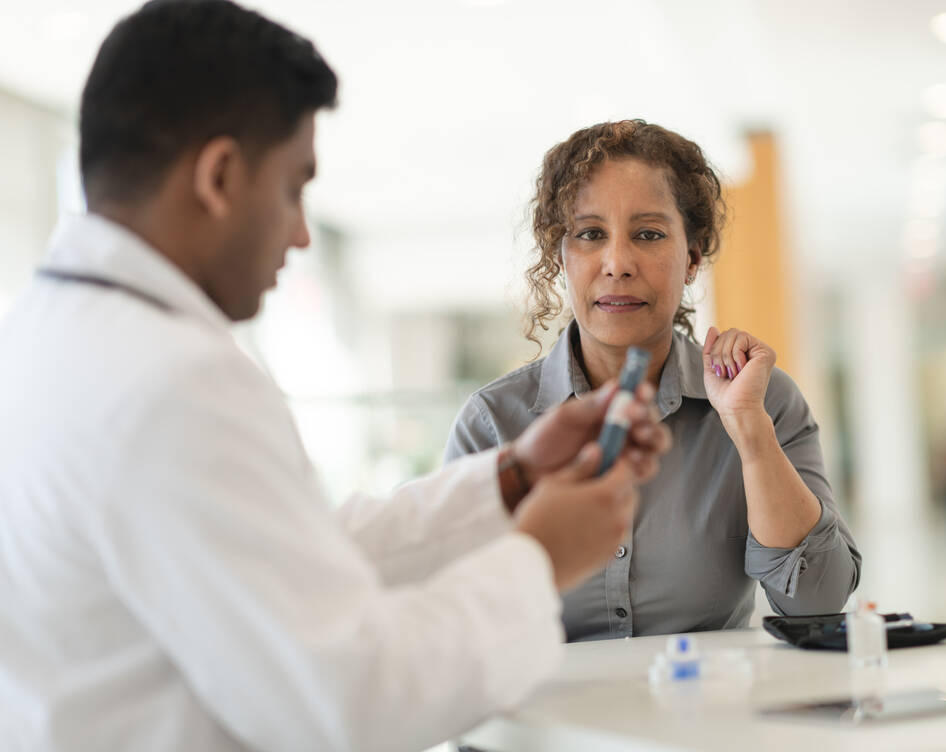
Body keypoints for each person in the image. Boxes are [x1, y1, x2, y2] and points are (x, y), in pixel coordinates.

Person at [0, 4, 671, 752]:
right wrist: (540, 558)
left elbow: (298, 554)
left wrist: (513, 479)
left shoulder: (46, 334)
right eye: (294, 187)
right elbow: (355, 700)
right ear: (219, 177)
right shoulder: (169, 381)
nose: (300, 233)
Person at [445, 120, 861, 642]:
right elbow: (452, 619)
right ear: (560, 256)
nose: (618, 263)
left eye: (648, 234)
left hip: (707, 716)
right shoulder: (492, 424)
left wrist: (750, 434)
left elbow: (817, 603)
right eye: (590, 234)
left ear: (691, 258)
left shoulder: (762, 400)